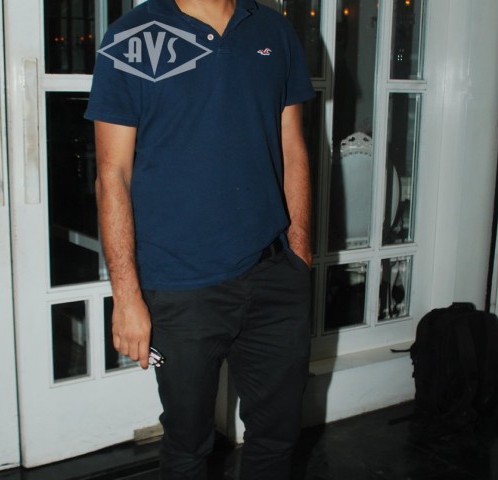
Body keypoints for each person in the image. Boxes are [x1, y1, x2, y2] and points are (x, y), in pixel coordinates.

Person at [85, 0, 314, 478]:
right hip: (180, 286)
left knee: (278, 437)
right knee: (188, 444)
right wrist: (126, 296)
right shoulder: (133, 37)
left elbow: (292, 146)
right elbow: (112, 174)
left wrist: (300, 255)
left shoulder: (273, 30)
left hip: (274, 274)